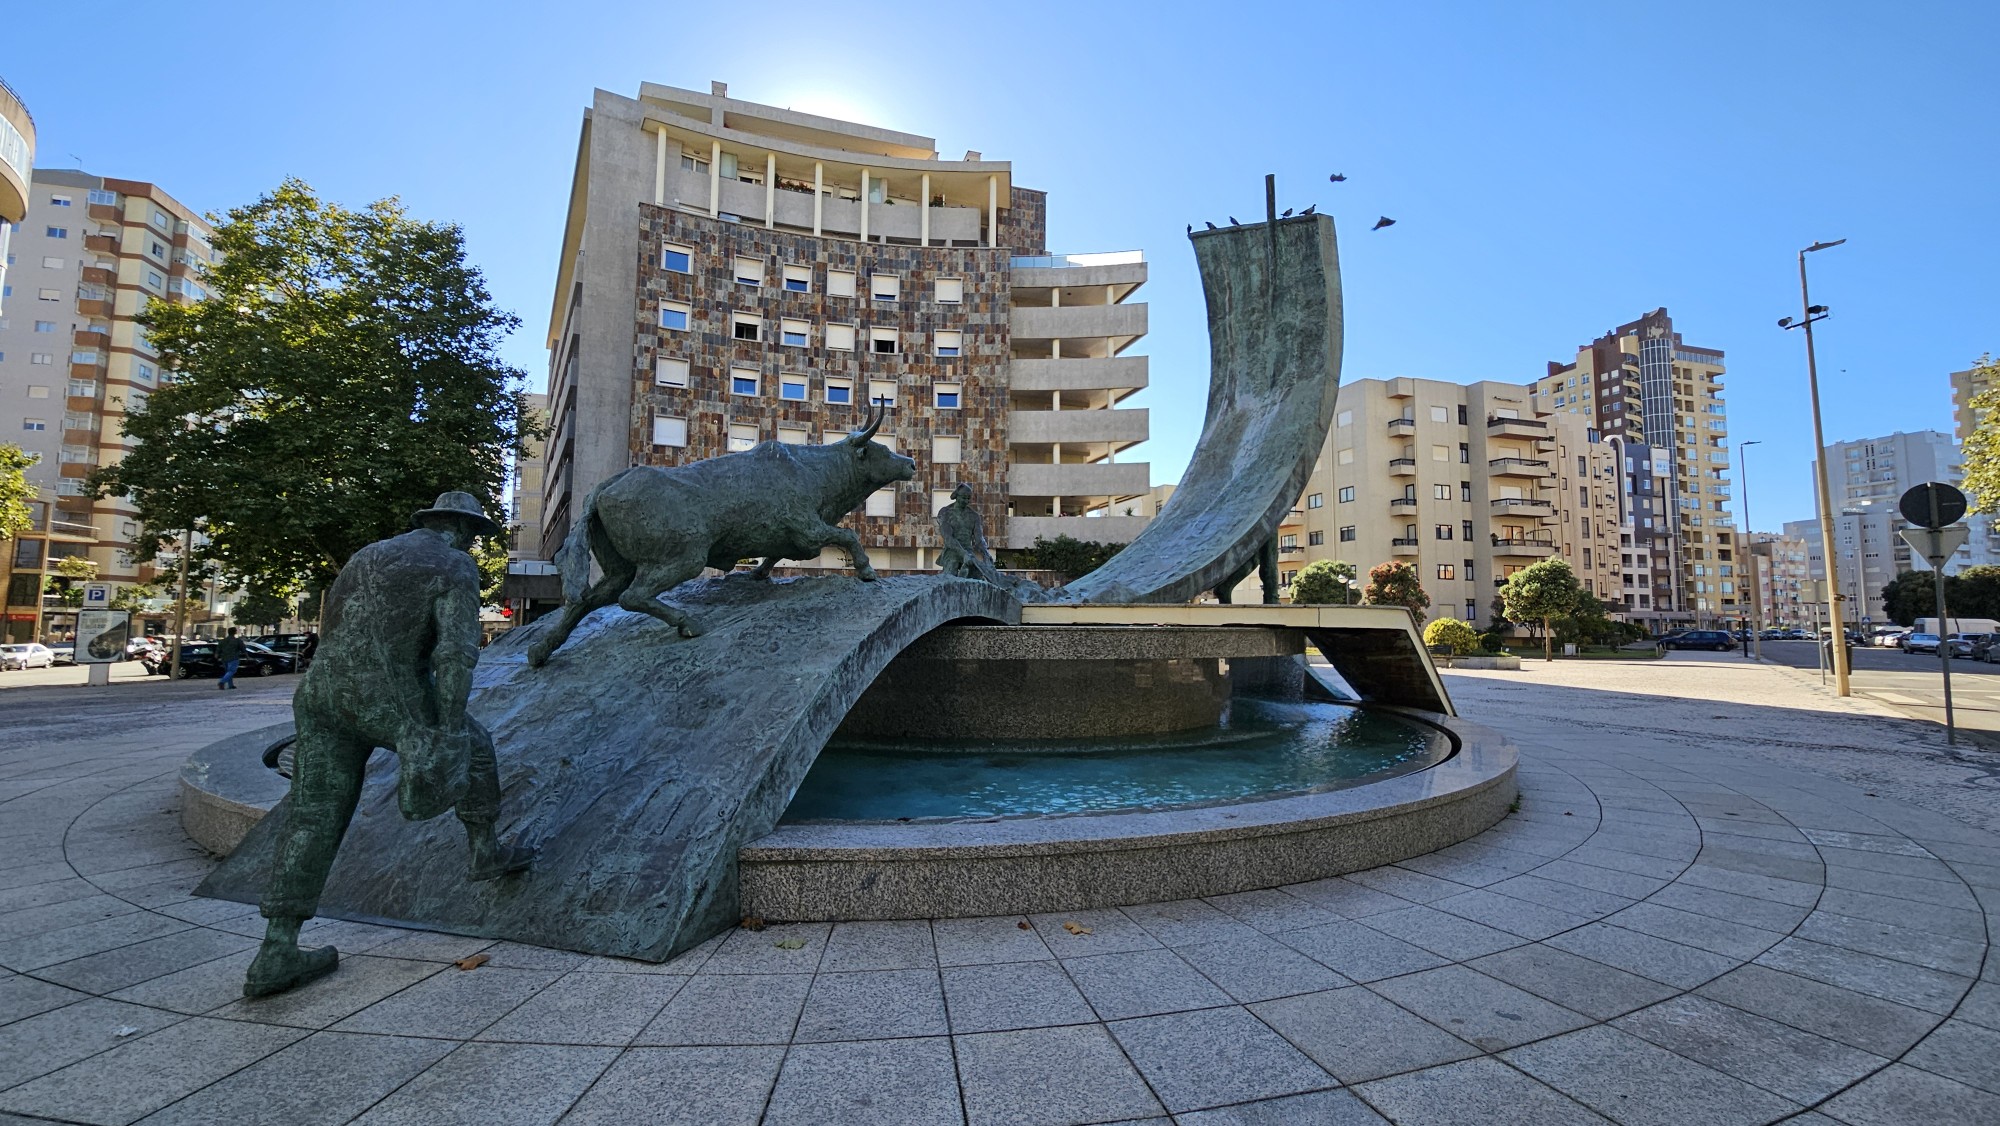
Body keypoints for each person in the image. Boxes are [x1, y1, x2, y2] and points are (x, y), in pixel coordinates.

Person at [244, 491, 533, 998]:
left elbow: (333, 627)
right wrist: (448, 728)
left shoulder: (367, 554)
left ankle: (277, 946)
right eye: (473, 534)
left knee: (312, 818)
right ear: (463, 529)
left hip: (321, 694)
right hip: (391, 696)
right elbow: (455, 653)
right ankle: (485, 852)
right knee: (476, 747)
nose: (472, 542)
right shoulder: (454, 565)